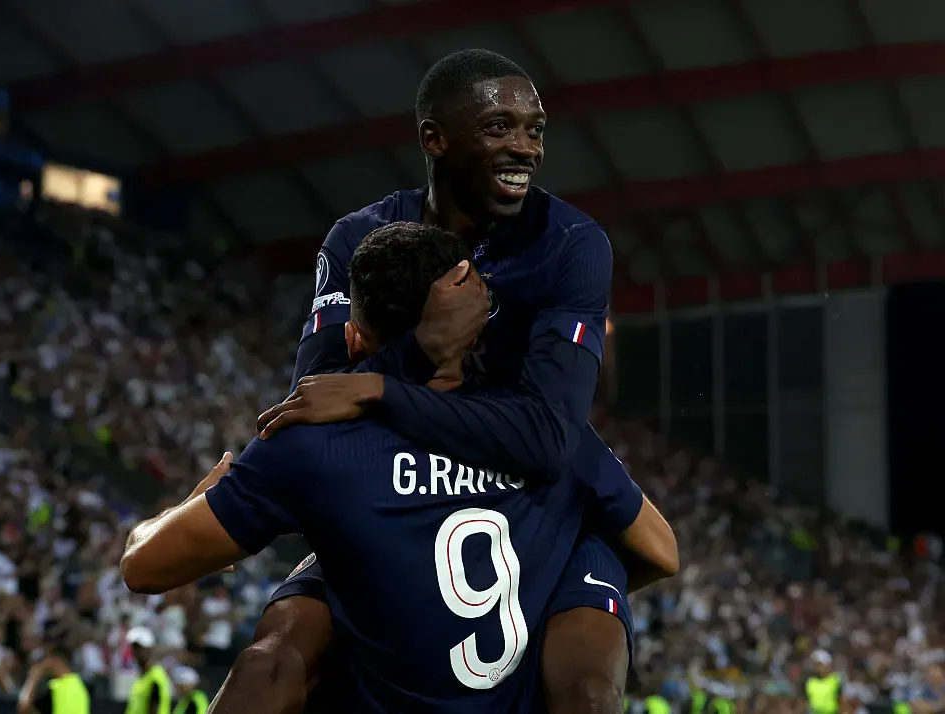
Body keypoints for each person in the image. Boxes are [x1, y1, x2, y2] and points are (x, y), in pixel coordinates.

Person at [250, 49, 678, 711]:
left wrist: (382, 388)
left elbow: (545, 442)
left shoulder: (570, 243)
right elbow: (320, 402)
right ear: (434, 138)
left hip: (534, 504)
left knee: (590, 689)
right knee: (270, 658)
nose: (525, 147)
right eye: (498, 127)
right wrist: (415, 359)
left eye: (535, 129)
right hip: (399, 499)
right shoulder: (358, 239)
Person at [119, 223, 667, 714]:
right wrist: (555, 576)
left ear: (354, 337)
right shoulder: (541, 434)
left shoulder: (313, 442)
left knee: (272, 656)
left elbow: (142, 566)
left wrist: (195, 505)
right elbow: (661, 551)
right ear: (475, 334)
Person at [16, 647, 90, 714]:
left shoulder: (55, 687)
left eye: (46, 659)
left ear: (55, 660)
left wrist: (33, 677)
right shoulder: (80, 685)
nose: (44, 664)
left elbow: (23, 708)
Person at [123, 627, 171, 714]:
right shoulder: (143, 677)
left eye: (139, 648)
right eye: (134, 648)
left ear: (149, 649)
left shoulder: (155, 677)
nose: (136, 652)